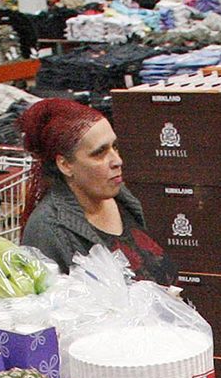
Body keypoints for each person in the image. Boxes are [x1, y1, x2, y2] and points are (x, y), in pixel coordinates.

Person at [20, 98, 176, 284]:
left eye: (115, 146)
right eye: (99, 153)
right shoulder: (48, 230)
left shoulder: (121, 197)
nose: (117, 161)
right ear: (65, 165)